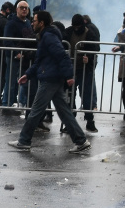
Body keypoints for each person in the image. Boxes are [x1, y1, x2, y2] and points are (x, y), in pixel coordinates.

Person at [8, 10, 92, 153]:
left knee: (35, 111)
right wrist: (28, 74)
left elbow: (62, 56)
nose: (32, 23)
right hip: (52, 77)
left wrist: (69, 75)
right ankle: (81, 140)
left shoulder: (48, 36)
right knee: (64, 112)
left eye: (34, 21)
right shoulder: (45, 36)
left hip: (50, 79)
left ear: (41, 23)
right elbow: (40, 60)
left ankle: (24, 141)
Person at [63, 13, 100, 132]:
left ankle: (90, 121)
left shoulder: (90, 34)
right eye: (75, 26)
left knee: (87, 96)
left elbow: (95, 48)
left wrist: (88, 57)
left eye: (78, 26)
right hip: (71, 70)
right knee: (70, 96)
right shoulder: (68, 32)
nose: (76, 29)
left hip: (85, 70)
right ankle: (70, 122)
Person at [1, 0, 34, 112]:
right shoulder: (11, 23)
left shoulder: (28, 22)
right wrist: (16, 52)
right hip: (13, 56)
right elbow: (7, 40)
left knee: (23, 81)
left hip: (25, 57)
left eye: (26, 8)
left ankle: (19, 103)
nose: (24, 10)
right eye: (22, 8)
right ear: (16, 9)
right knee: (10, 81)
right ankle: (6, 105)